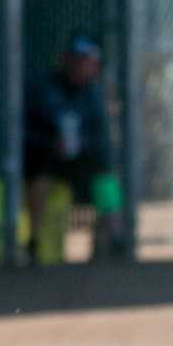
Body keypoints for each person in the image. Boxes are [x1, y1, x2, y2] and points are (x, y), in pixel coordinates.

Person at [25, 32, 117, 257]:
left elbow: (101, 139)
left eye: (87, 62)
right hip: (48, 156)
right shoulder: (44, 87)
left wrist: (82, 144)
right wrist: (51, 143)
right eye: (77, 61)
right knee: (38, 172)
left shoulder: (93, 94)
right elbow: (26, 131)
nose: (81, 67)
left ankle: (110, 239)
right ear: (66, 61)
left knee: (106, 175)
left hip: (80, 159)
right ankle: (35, 242)